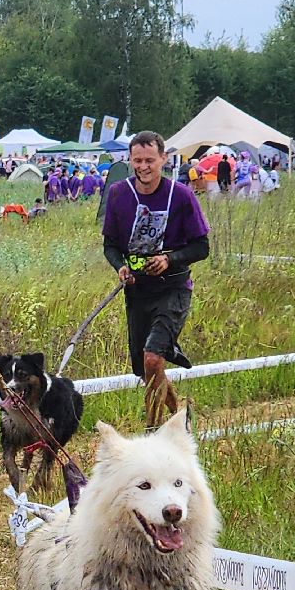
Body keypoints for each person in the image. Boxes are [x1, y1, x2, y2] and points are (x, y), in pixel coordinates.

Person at [101, 131, 211, 429]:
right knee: (145, 369)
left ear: (163, 158)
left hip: (173, 288)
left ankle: (153, 431)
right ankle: (181, 420)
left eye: (150, 160)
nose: (143, 167)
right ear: (130, 160)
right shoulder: (119, 194)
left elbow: (202, 247)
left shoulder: (181, 195)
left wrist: (169, 259)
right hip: (137, 291)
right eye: (137, 160)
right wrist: (120, 267)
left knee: (152, 359)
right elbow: (110, 245)